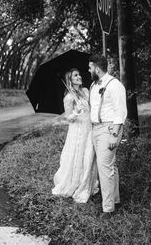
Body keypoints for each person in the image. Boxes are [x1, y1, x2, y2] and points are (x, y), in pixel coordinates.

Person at [52, 68, 98, 203]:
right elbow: (68, 117)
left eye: (79, 74)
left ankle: (88, 183)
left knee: (89, 155)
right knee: (78, 156)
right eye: (75, 75)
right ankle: (76, 184)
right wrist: (76, 112)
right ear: (70, 80)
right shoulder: (69, 97)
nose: (79, 77)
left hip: (89, 128)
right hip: (77, 131)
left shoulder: (85, 91)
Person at [88, 55, 127, 214]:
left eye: (90, 67)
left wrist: (114, 134)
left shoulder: (115, 85)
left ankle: (108, 209)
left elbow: (121, 111)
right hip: (96, 129)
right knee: (110, 167)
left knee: (105, 169)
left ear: (97, 69)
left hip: (109, 129)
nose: (88, 70)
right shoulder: (92, 85)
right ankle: (115, 200)